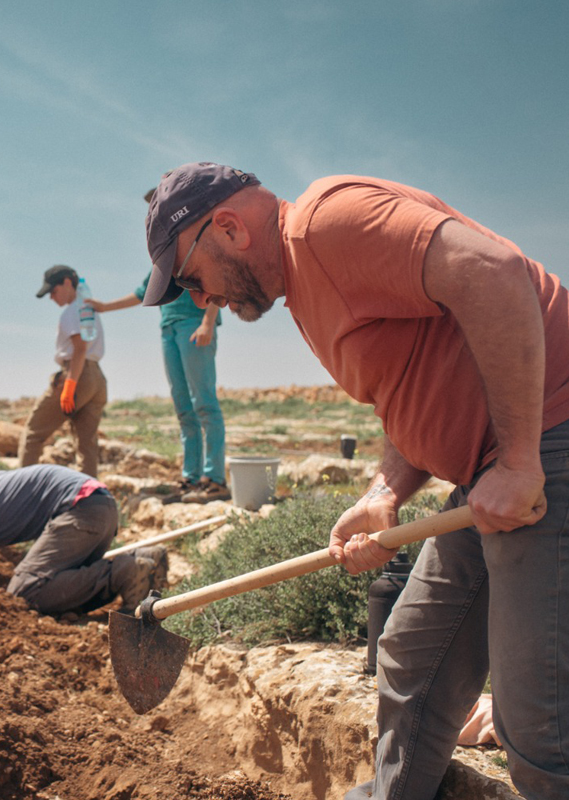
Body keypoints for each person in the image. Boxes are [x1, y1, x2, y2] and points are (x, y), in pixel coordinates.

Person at [143, 161, 569, 799]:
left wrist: (516, 462)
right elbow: (420, 386)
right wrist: (384, 494)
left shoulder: (325, 224)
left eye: (190, 280)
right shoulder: (305, 284)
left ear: (228, 227)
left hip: (550, 441)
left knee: (538, 717)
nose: (200, 301)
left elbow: (493, 271)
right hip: (490, 468)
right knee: (413, 659)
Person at [89, 190, 228, 503]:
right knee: (183, 406)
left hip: (195, 326)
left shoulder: (197, 239)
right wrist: (103, 307)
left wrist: (208, 322)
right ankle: (191, 478)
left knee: (204, 402)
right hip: (168, 329)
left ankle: (215, 479)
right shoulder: (165, 251)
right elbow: (142, 293)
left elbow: (220, 279)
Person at [0, 465, 165, 615]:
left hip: (79, 511)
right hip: (100, 506)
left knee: (23, 591)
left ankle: (127, 571)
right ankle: (140, 561)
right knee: (51, 577)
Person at [18, 266, 107, 477]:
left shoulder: (71, 312)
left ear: (67, 283)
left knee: (33, 434)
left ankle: (20, 492)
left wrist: (69, 384)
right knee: (87, 443)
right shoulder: (88, 308)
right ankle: (88, 498)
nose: (51, 297)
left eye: (53, 291)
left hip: (77, 374)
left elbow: (80, 349)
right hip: (97, 378)